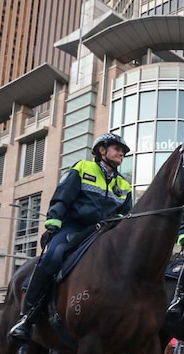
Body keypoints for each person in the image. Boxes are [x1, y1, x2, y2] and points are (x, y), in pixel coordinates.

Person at [8, 133, 132, 341]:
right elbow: (62, 196)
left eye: (123, 151)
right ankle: (27, 316)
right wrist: (54, 219)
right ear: (102, 150)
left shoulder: (124, 185)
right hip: (73, 227)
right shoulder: (82, 168)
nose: (122, 153)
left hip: (104, 233)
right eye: (117, 148)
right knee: (53, 256)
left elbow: (126, 214)